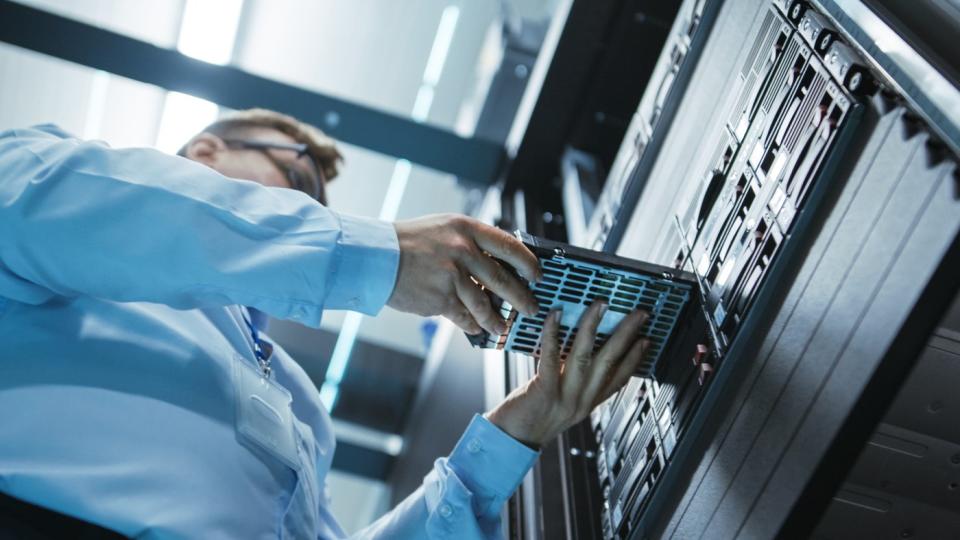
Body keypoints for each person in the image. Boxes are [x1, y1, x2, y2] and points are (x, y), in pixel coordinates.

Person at [0, 109, 650, 539]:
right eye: (299, 175)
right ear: (205, 150)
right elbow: (91, 204)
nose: (307, 208)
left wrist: (518, 431)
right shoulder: (41, 180)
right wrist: (370, 256)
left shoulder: (297, 409)